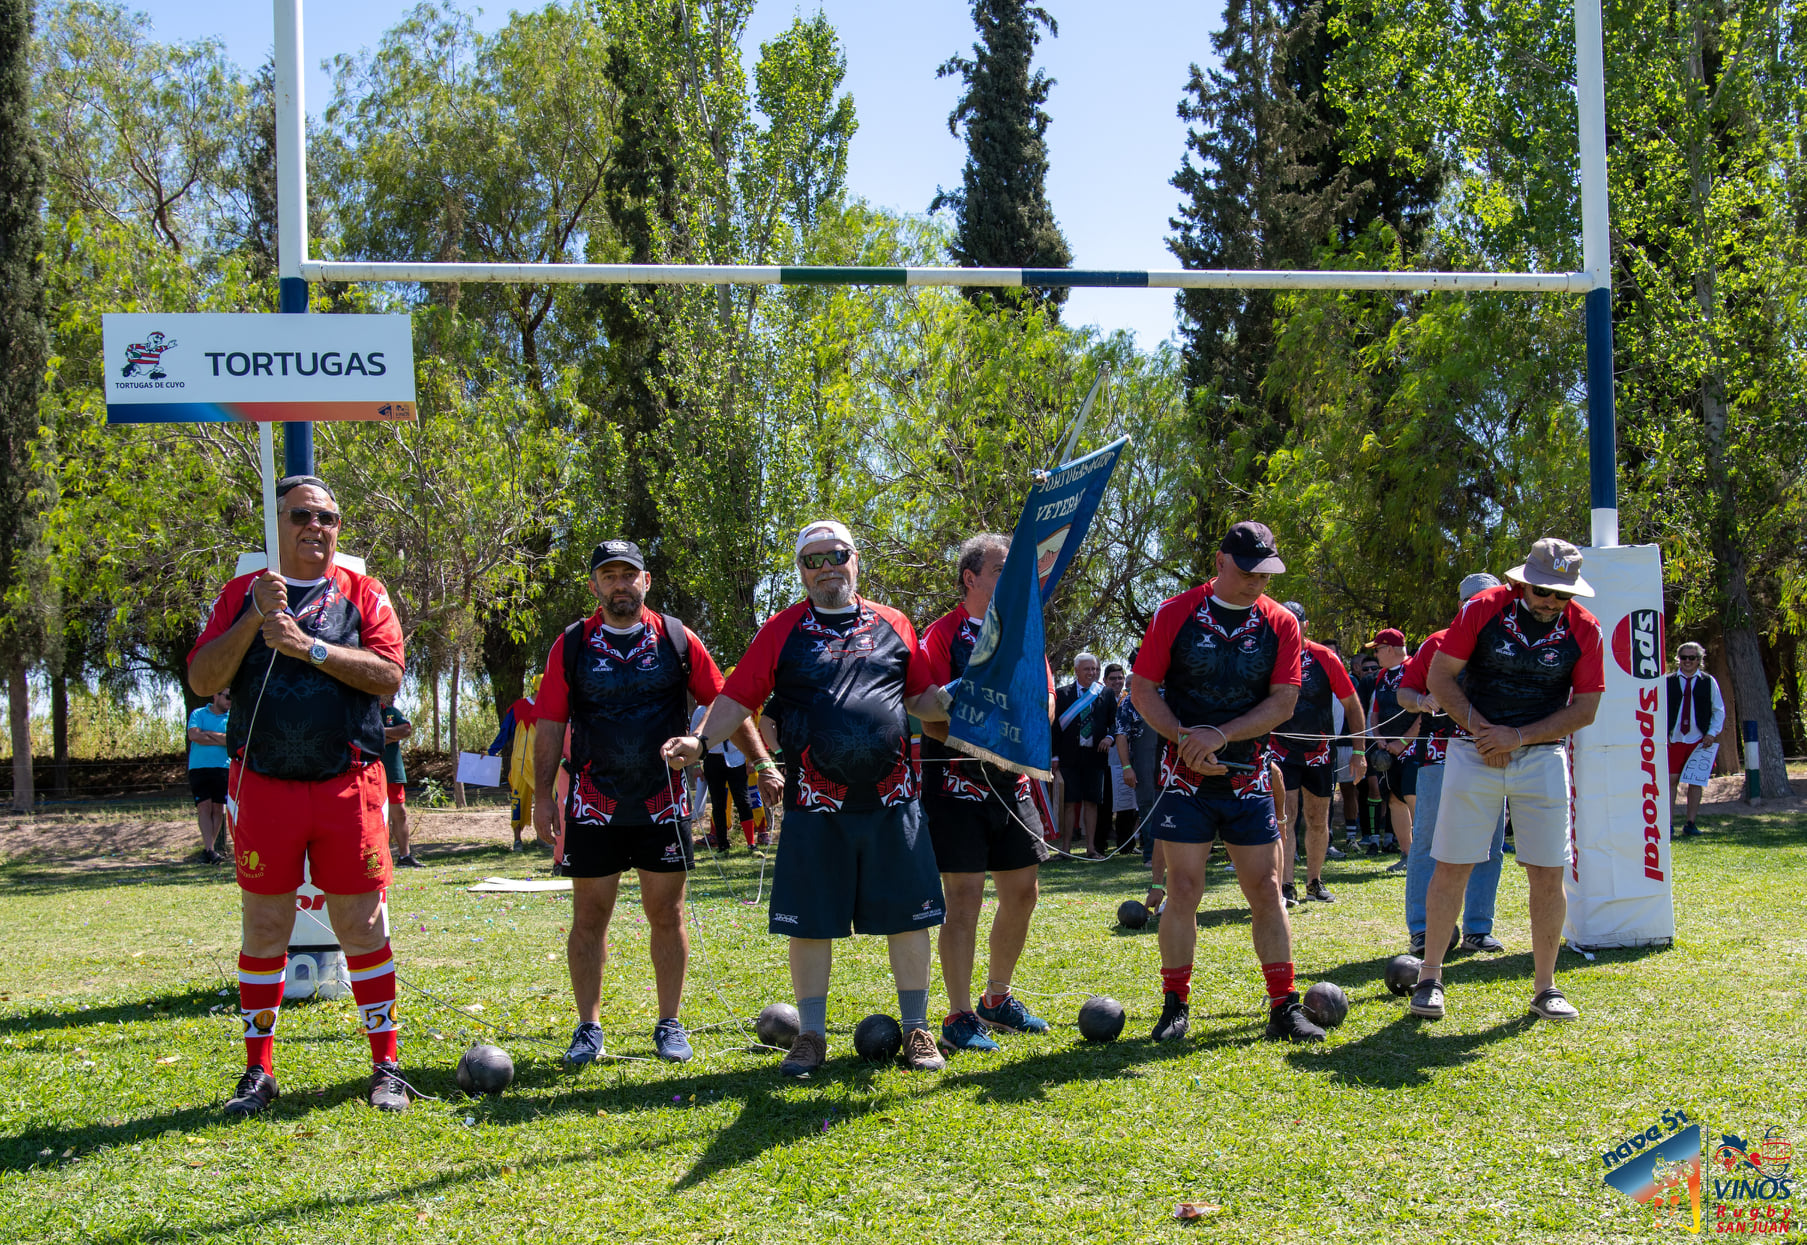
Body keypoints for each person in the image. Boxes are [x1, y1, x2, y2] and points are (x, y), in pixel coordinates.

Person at [667, 520, 954, 1077]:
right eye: (812, 559)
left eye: (836, 555)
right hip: (816, 807)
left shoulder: (895, 623)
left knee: (909, 918)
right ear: (801, 570)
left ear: (855, 559)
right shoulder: (781, 630)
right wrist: (700, 740)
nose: (826, 568)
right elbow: (737, 699)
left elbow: (919, 697)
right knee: (810, 923)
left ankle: (917, 1029)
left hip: (894, 802)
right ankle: (812, 1036)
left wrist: (956, 701)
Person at [187, 475, 409, 1116]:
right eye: (302, 516)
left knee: (362, 926)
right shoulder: (242, 594)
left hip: (348, 783)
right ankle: (258, 1070)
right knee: (265, 927)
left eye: (328, 517)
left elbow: (388, 675)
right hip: (264, 786)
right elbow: (203, 677)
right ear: (275, 523)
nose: (317, 527)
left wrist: (309, 648)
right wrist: (255, 617)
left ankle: (387, 1065)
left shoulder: (364, 592)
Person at [531, 539, 774, 1066]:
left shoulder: (677, 638)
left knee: (667, 912)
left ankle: (670, 1023)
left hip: (662, 803)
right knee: (589, 916)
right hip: (593, 804)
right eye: (609, 576)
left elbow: (725, 701)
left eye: (629, 574)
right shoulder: (572, 644)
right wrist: (542, 796)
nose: (620, 584)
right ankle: (588, 1028)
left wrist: (760, 761)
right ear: (594, 586)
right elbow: (549, 722)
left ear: (646, 581)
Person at [1130, 520, 1323, 1044]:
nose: (1257, 582)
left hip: (1250, 777)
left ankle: (1283, 1005)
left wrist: (1220, 735)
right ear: (1220, 562)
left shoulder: (1282, 623)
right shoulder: (1174, 613)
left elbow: (1284, 701)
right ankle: (1175, 1005)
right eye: (1247, 571)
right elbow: (1143, 689)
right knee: (1182, 888)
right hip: (1184, 777)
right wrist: (1185, 738)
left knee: (1266, 888)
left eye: (1266, 574)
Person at [1413, 538, 1605, 1023]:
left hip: (1541, 754)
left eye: (1562, 594)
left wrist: (1517, 737)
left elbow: (1586, 708)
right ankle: (1430, 977)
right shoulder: (1483, 608)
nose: (1551, 601)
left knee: (1548, 870)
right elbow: (1440, 678)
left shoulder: (1586, 629)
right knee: (1452, 864)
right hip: (1473, 749)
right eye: (1543, 590)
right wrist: (1485, 733)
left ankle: (1546, 987)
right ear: (1521, 583)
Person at [916, 533, 1056, 1053]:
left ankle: (997, 998)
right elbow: (929, 717)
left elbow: (1044, 702)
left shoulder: (1025, 632)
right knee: (964, 900)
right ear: (970, 577)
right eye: (1001, 570)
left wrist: (1020, 732)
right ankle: (958, 1015)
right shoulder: (940, 636)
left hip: (1011, 785)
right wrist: (992, 732)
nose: (1013, 579)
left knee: (1023, 892)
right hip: (954, 787)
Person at [1395, 573, 1507, 956]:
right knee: (1428, 842)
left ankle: (1478, 928)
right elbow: (1405, 692)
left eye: (1492, 600)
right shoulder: (1437, 642)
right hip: (1439, 755)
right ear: (1461, 605)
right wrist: (1420, 701)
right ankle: (1423, 929)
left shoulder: (1510, 644)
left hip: (1492, 753)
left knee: (1490, 844)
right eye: (1476, 601)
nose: (1485, 608)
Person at [1268, 602, 1366, 904]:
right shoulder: (1267, 654)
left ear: (1305, 626)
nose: (1288, 628)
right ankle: (1286, 884)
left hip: (1319, 751)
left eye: (1294, 623)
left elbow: (1352, 704)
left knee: (1317, 818)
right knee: (1286, 816)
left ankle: (1314, 881)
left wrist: (1359, 751)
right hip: (1281, 749)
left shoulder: (1324, 657)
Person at [1365, 628, 1421, 869]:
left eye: (1377, 650)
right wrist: (1378, 737)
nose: (1375, 655)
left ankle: (1424, 856)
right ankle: (1407, 855)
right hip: (1387, 750)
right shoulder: (1381, 675)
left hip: (1414, 748)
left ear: (1389, 649)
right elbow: (1375, 711)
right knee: (1394, 800)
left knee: (1414, 797)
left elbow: (1425, 713)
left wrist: (1404, 742)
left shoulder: (1416, 669)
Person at [1053, 653, 1118, 858]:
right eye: (1088, 669)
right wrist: (1054, 756)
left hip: (1096, 757)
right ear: (1076, 671)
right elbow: (1054, 728)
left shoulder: (1106, 693)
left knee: (1092, 802)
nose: (1092, 672)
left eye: (1095, 669)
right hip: (1069, 757)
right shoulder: (1062, 694)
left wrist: (1109, 737)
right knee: (1069, 803)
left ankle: (1091, 848)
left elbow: (1116, 722)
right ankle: (1065, 850)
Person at [1667, 642, 1724, 837]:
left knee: (1695, 781)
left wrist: (1711, 733)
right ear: (1678, 659)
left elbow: (1718, 710)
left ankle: (1690, 823)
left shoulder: (1709, 682)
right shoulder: (1667, 682)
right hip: (1674, 738)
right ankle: (1668, 824)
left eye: (1692, 658)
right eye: (1684, 657)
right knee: (1671, 780)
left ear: (1699, 660)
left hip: (1699, 740)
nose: (1687, 661)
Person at [692, 697, 757, 852]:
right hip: (712, 759)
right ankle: (722, 844)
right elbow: (693, 738)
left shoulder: (739, 705)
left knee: (743, 801)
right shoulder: (701, 710)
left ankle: (751, 843)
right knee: (718, 804)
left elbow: (750, 735)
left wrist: (751, 760)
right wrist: (696, 765)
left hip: (737, 759)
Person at [185, 689, 231, 864]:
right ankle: (210, 849)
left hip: (222, 767)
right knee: (204, 807)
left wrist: (207, 734)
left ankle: (208, 851)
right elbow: (194, 735)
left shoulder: (231, 718)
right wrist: (219, 738)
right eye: (227, 697)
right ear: (215, 695)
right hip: (199, 767)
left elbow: (230, 740)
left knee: (218, 808)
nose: (230, 701)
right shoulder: (198, 714)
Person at [379, 695, 420, 868]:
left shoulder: (391, 712)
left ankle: (405, 856)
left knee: (399, 814)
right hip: (369, 774)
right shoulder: (359, 712)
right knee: (376, 817)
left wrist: (380, 733)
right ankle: (378, 858)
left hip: (392, 773)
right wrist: (391, 736)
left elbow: (405, 730)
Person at [1104, 662, 1139, 852]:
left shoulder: (1129, 699)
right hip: (1107, 756)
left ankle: (1127, 843)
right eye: (1113, 679)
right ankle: (1103, 842)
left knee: (1128, 800)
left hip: (1128, 755)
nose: (1117, 682)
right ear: (1105, 680)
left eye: (1120, 678)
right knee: (1108, 800)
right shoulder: (1099, 697)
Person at [1350, 652, 1383, 849]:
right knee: (1373, 788)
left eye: (1374, 668)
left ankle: (1390, 837)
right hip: (1370, 741)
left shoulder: (1393, 679)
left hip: (1394, 741)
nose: (1370, 672)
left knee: (1392, 794)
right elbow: (1359, 711)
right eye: (1366, 669)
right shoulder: (1367, 683)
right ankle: (1371, 837)